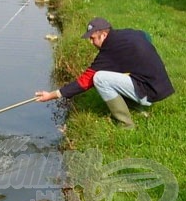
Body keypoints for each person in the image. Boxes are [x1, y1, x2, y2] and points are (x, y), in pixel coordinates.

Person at [35, 17, 174, 129]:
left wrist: (51, 95)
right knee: (117, 73)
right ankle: (138, 107)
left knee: (100, 78)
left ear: (103, 35)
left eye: (93, 38)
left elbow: (84, 82)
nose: (91, 42)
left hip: (150, 92)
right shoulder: (128, 34)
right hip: (161, 85)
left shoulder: (110, 51)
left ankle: (126, 124)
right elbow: (146, 36)